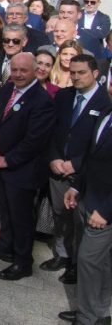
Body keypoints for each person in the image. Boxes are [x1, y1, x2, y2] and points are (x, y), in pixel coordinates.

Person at [0, 52, 56, 280]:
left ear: (35, 71)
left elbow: (34, 141)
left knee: (22, 218)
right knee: (6, 210)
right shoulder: (7, 89)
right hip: (1, 164)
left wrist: (7, 159)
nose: (18, 74)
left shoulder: (41, 101)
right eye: (14, 70)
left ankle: (23, 262)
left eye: (24, 70)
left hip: (23, 170)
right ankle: (5, 247)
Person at [44, 55, 111, 283]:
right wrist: (54, 157)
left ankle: (76, 264)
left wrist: (76, 163)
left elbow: (99, 144)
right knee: (60, 216)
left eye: (81, 72)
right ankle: (63, 255)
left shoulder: (105, 103)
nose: (75, 77)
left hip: (84, 173)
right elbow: (53, 130)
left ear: (95, 74)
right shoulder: (64, 96)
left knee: (80, 223)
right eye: (72, 72)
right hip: (58, 168)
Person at [62, 108, 112, 325]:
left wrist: (106, 210)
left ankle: (87, 318)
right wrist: (76, 187)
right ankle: (98, 313)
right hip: (89, 196)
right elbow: (91, 156)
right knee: (101, 262)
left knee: (88, 259)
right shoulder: (105, 112)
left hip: (104, 208)